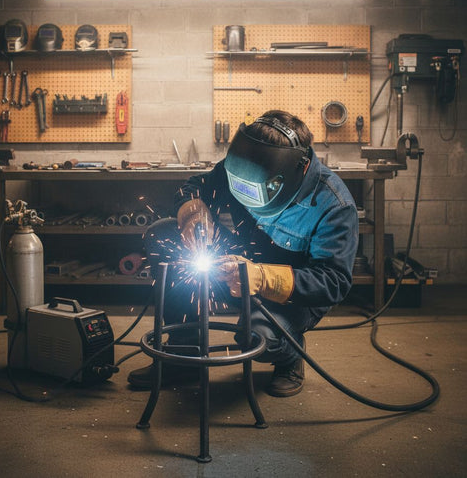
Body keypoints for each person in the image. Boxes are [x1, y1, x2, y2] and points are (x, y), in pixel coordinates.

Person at [128, 110, 359, 397]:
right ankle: (184, 350)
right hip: (233, 267)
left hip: (291, 296)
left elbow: (333, 282)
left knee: (257, 339)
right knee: (163, 233)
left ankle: (289, 357)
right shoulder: (244, 165)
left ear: (297, 170)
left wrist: (261, 277)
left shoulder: (333, 204)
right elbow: (196, 186)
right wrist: (194, 214)